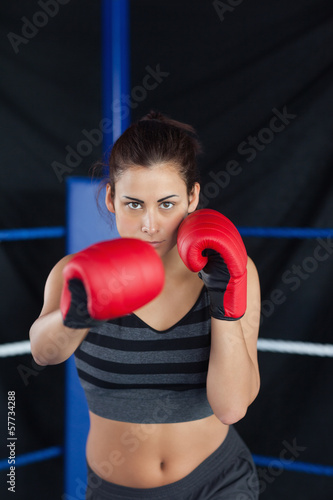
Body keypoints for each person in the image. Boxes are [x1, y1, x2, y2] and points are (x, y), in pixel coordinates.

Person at [29, 111, 261, 499]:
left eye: (167, 204)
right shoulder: (76, 271)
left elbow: (232, 407)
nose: (150, 224)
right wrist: (78, 313)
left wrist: (223, 302)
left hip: (220, 482)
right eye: (134, 204)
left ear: (193, 197)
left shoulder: (232, 270)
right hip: (116, 490)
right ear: (110, 198)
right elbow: (43, 353)